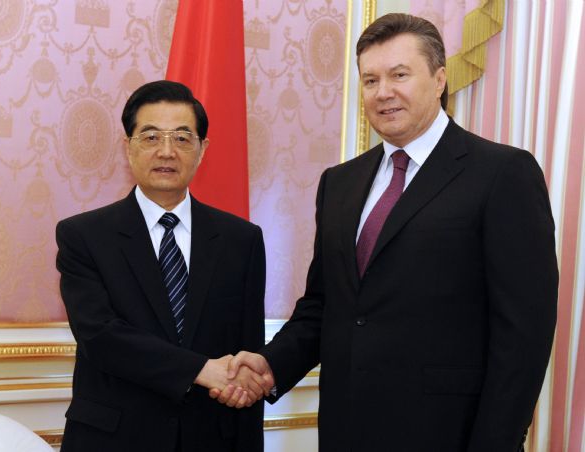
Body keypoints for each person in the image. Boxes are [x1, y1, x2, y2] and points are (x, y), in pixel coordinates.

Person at [215, 13, 558, 452]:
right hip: (346, 430)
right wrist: (270, 364)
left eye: (399, 75)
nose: (383, 93)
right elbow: (326, 305)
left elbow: (524, 334)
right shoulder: (339, 182)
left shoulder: (502, 174)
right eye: (370, 80)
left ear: (439, 79)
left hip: (448, 434)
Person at [56, 80, 267, 452]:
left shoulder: (241, 240)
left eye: (183, 138)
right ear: (128, 147)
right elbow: (100, 336)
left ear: (203, 149)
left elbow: (245, 352)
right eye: (151, 137)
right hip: (113, 440)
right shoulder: (83, 236)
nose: (167, 152)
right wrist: (202, 370)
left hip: (210, 439)